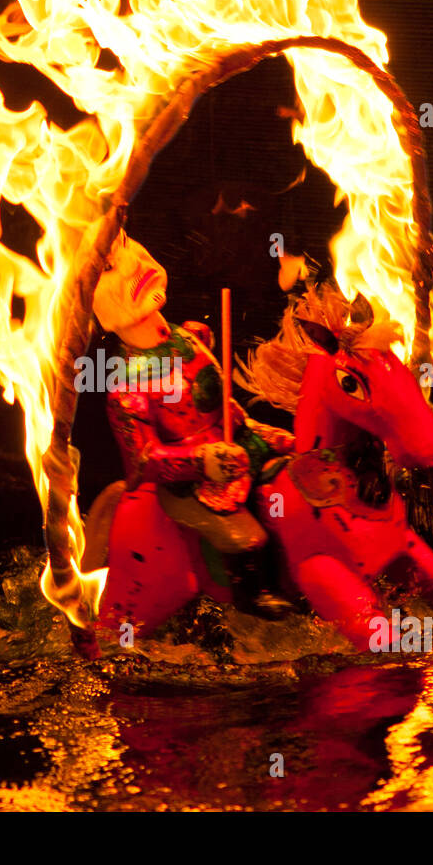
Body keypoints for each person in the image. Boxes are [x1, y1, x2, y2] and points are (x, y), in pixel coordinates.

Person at [92, 232, 295, 619]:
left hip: (239, 442)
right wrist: (202, 460)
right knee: (244, 538)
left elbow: (220, 402)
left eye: (136, 248)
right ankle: (255, 599)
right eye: (110, 267)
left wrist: (252, 428)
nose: (138, 263)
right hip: (190, 481)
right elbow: (143, 459)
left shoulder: (192, 336)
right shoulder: (125, 384)